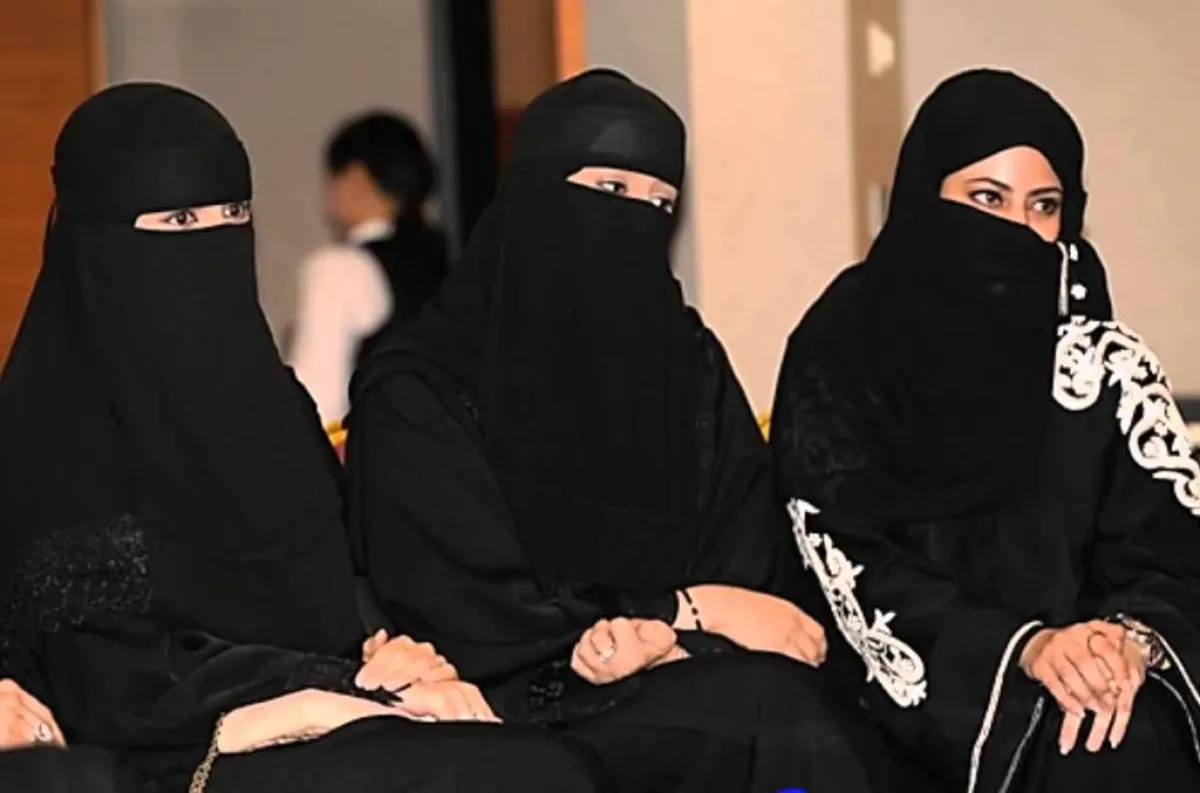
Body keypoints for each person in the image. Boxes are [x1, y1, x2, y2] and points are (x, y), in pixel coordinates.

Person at [0, 82, 612, 793]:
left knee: (557, 761)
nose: (214, 240)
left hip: (338, 713)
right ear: (96, 237)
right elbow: (110, 676)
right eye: (178, 218)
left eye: (234, 213)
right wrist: (330, 688)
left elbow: (347, 574)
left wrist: (392, 656)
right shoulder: (47, 431)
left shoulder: (271, 401)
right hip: (188, 753)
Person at [347, 68, 932, 793]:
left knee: (847, 709)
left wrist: (670, 639)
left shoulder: (685, 362)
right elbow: (467, 607)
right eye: (610, 189)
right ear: (535, 194)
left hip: (689, 673)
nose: (636, 221)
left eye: (660, 203)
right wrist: (682, 610)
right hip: (508, 709)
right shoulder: (421, 388)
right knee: (777, 719)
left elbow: (756, 566)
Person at [770, 68, 1200, 793]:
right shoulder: (844, 352)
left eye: (1044, 206)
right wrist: (1024, 648)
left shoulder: (1103, 364)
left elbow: (1169, 551)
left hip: (1100, 688)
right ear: (924, 196)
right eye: (986, 198)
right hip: (910, 703)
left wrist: (1125, 642)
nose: (1016, 230)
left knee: (1115, 735)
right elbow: (845, 557)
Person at [289, 111, 448, 428]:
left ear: (355, 177)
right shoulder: (452, 257)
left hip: (376, 451)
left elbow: (318, 403)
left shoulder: (338, 269)